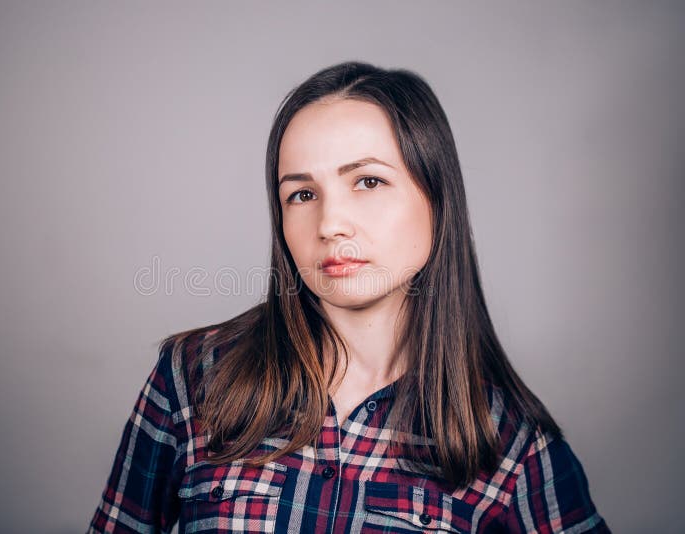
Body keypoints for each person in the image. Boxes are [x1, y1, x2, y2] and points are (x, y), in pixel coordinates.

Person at [87, 61, 610, 533]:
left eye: (368, 182)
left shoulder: (513, 448)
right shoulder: (194, 376)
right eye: (303, 194)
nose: (331, 224)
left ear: (437, 198)